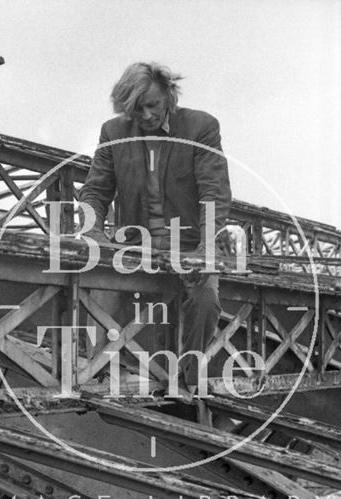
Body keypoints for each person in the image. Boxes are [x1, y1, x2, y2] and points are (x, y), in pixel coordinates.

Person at [78, 62, 231, 389]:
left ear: (169, 97)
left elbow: (213, 192)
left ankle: (188, 380)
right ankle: (98, 372)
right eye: (136, 109)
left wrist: (206, 246)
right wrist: (93, 231)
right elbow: (95, 190)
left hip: (188, 244)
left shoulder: (201, 127)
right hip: (133, 245)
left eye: (153, 106)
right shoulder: (113, 132)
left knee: (206, 297)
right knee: (101, 283)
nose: (146, 115)